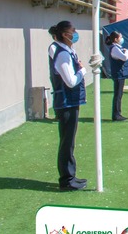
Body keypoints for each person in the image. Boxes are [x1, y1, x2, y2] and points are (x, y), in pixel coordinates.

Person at [48, 21, 87, 191]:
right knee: (66, 141)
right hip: (66, 102)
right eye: (74, 31)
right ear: (65, 34)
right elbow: (70, 81)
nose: (75, 34)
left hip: (70, 101)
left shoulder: (67, 51)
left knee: (69, 141)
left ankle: (71, 175)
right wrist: (82, 71)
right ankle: (66, 179)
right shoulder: (62, 53)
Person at [106, 31, 128, 121]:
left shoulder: (117, 47)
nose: (122, 39)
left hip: (120, 73)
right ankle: (116, 114)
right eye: (120, 37)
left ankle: (117, 113)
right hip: (118, 74)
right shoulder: (114, 48)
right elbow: (124, 57)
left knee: (119, 94)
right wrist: (127, 51)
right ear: (116, 39)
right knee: (118, 95)